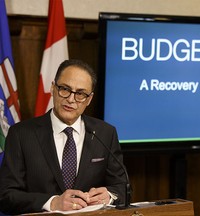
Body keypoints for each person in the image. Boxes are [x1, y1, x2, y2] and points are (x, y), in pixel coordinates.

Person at [0, 59, 127, 215]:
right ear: (53, 88)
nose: (71, 99)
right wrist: (52, 202)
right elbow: (6, 196)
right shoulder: (21, 134)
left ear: (89, 99)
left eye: (80, 93)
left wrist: (109, 195)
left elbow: (122, 187)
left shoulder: (105, 133)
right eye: (65, 89)